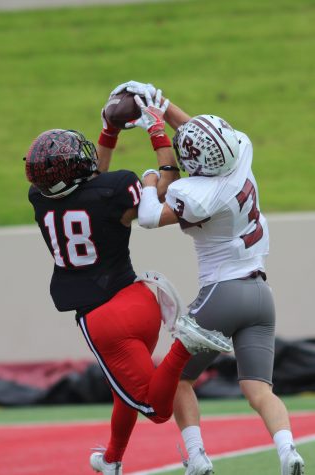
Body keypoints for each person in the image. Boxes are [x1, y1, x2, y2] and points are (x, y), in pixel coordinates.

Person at [24, 84, 233, 475]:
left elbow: (87, 186)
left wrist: (110, 133)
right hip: (141, 299)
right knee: (126, 390)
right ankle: (113, 459)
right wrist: (154, 135)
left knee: (154, 406)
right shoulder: (116, 188)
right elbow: (166, 187)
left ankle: (185, 345)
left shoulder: (40, 201)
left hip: (102, 319)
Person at [115, 81, 305, 475]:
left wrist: (151, 180)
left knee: (178, 379)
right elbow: (201, 134)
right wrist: (162, 106)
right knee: (259, 390)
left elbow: (149, 217)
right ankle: (288, 452)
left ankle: (197, 458)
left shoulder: (196, 194)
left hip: (222, 292)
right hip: (260, 294)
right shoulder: (241, 154)